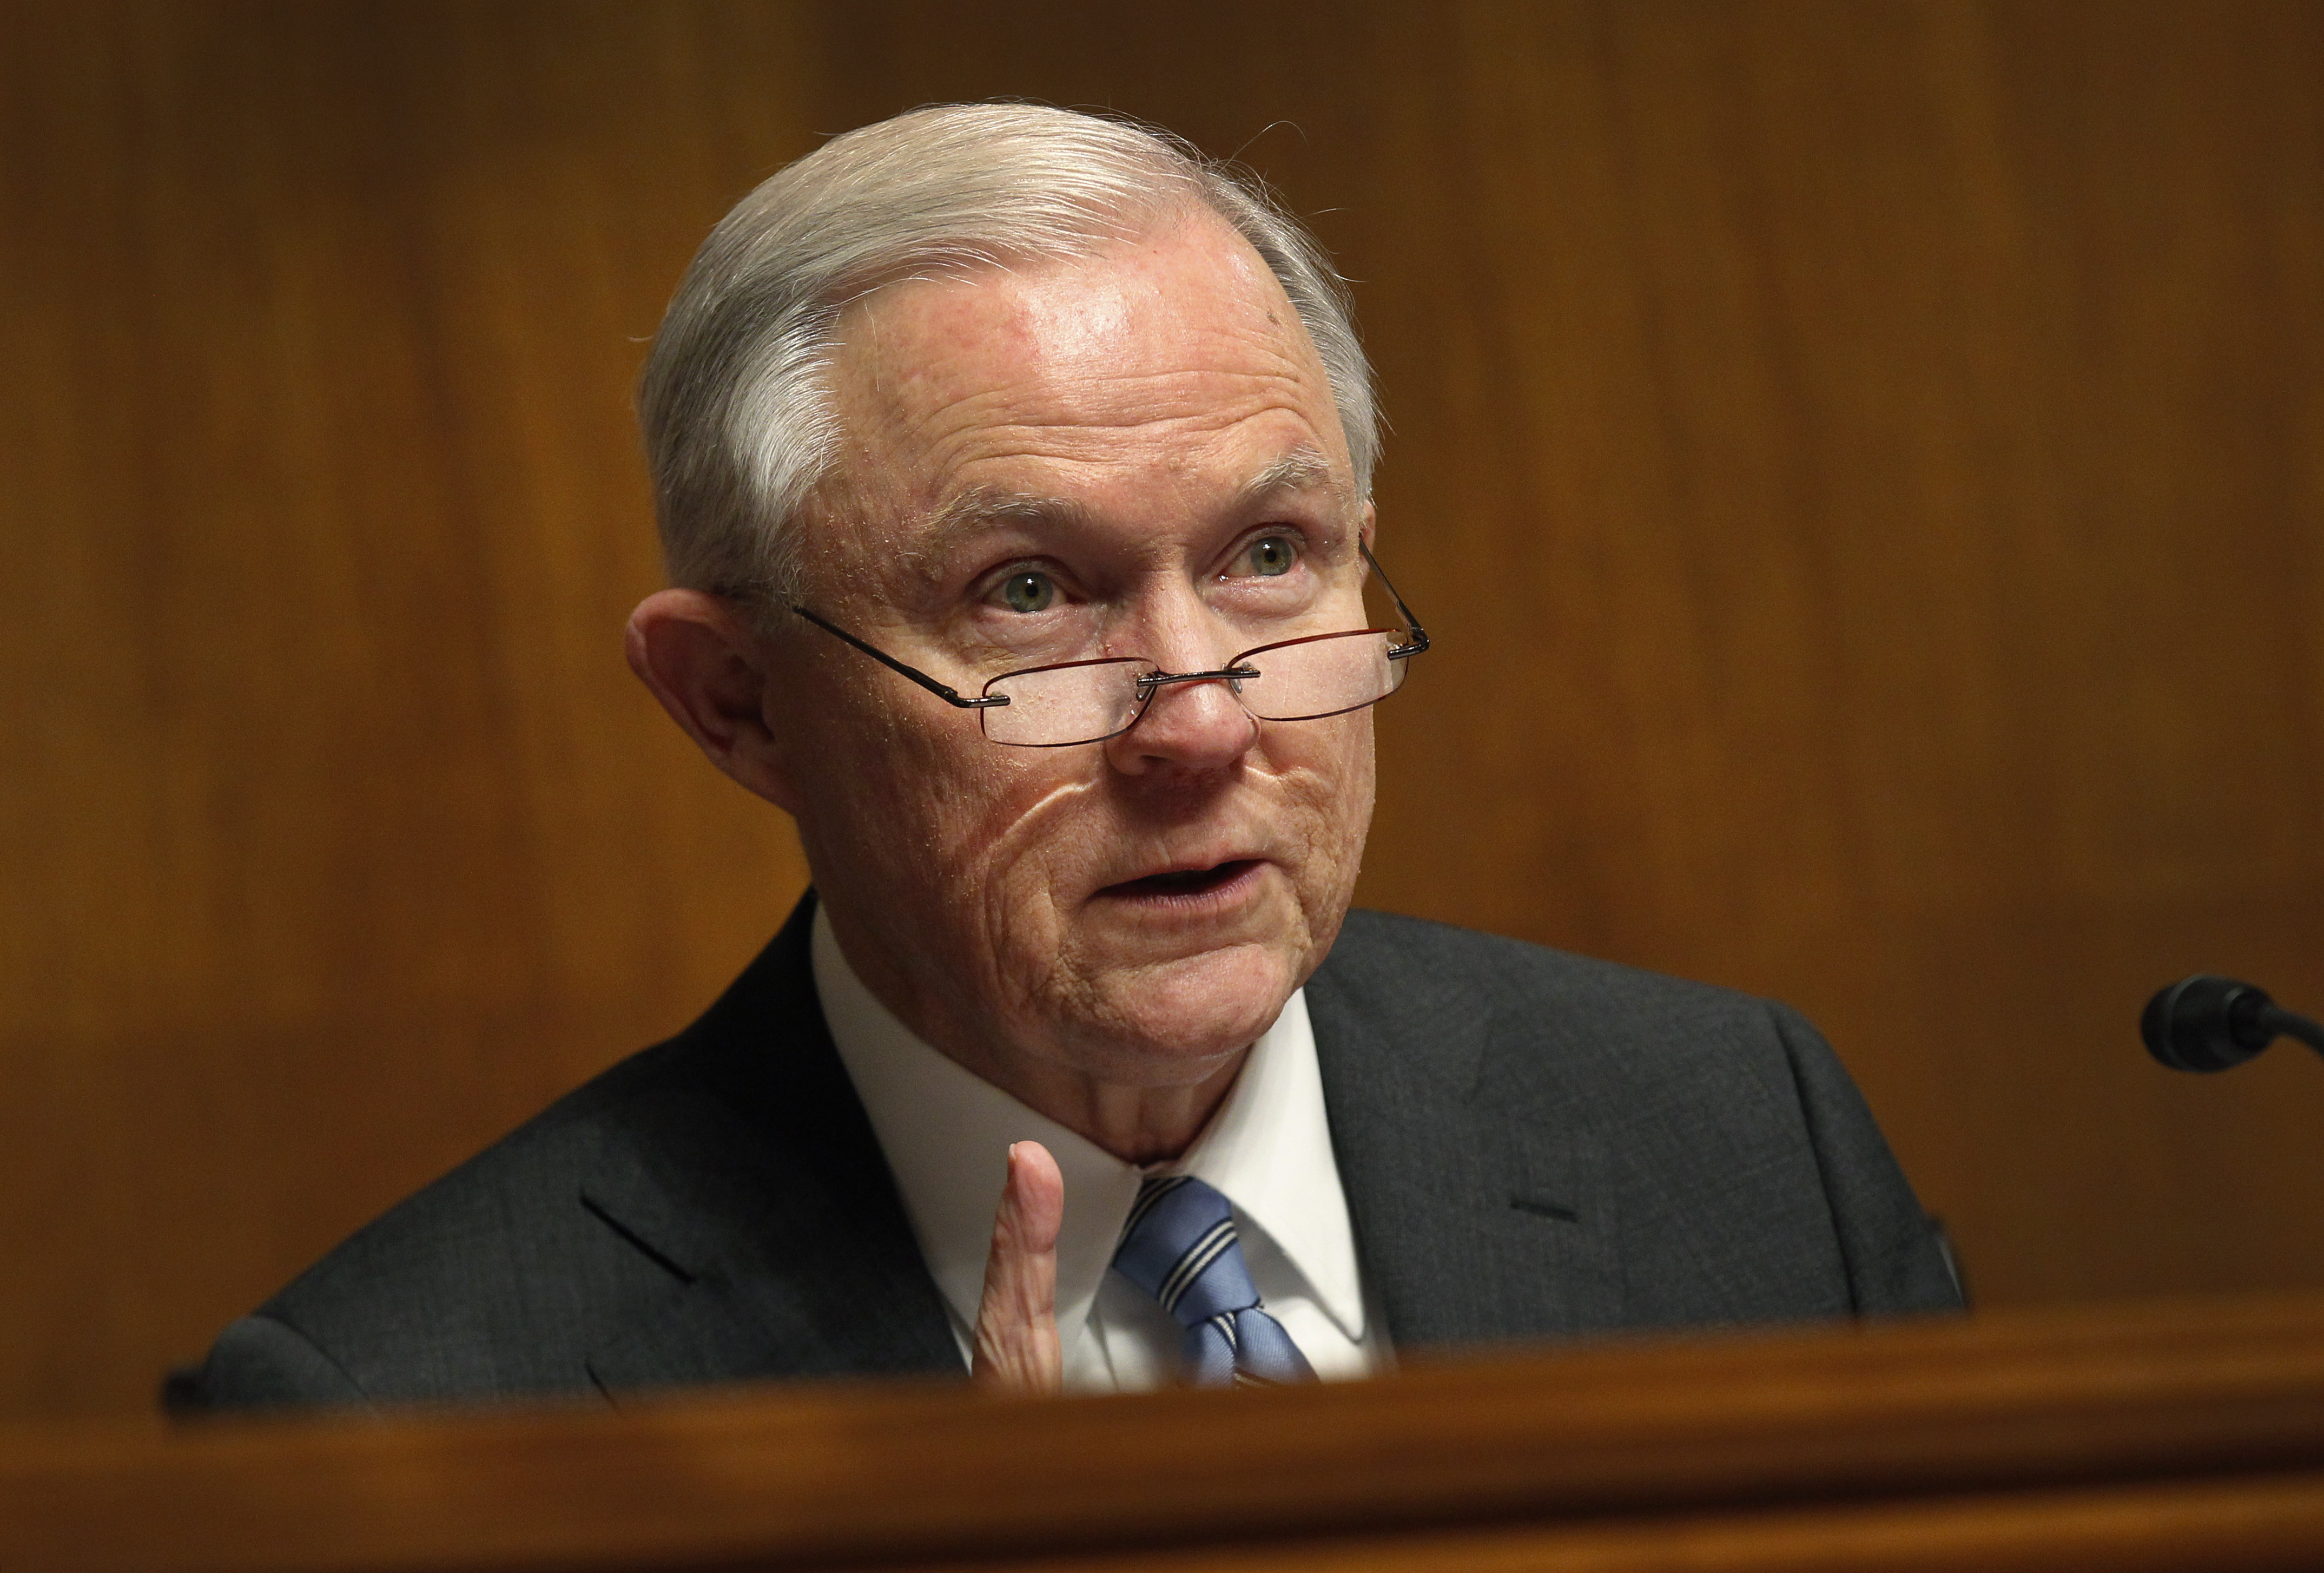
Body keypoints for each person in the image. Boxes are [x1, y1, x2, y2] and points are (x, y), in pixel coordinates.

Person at [171, 103, 1959, 1412]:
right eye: (1027, 593)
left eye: (1270, 555)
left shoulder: (1741, 1145)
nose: (1200, 717)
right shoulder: (404, 1408)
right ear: (739, 702)